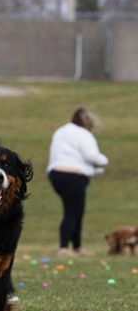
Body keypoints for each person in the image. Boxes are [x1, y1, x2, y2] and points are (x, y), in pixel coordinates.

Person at [47, 108, 109, 257]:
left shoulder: (61, 131)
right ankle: (63, 248)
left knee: (76, 211)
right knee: (72, 212)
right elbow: (91, 156)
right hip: (73, 177)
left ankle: (77, 247)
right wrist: (104, 161)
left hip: (56, 174)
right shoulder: (83, 134)